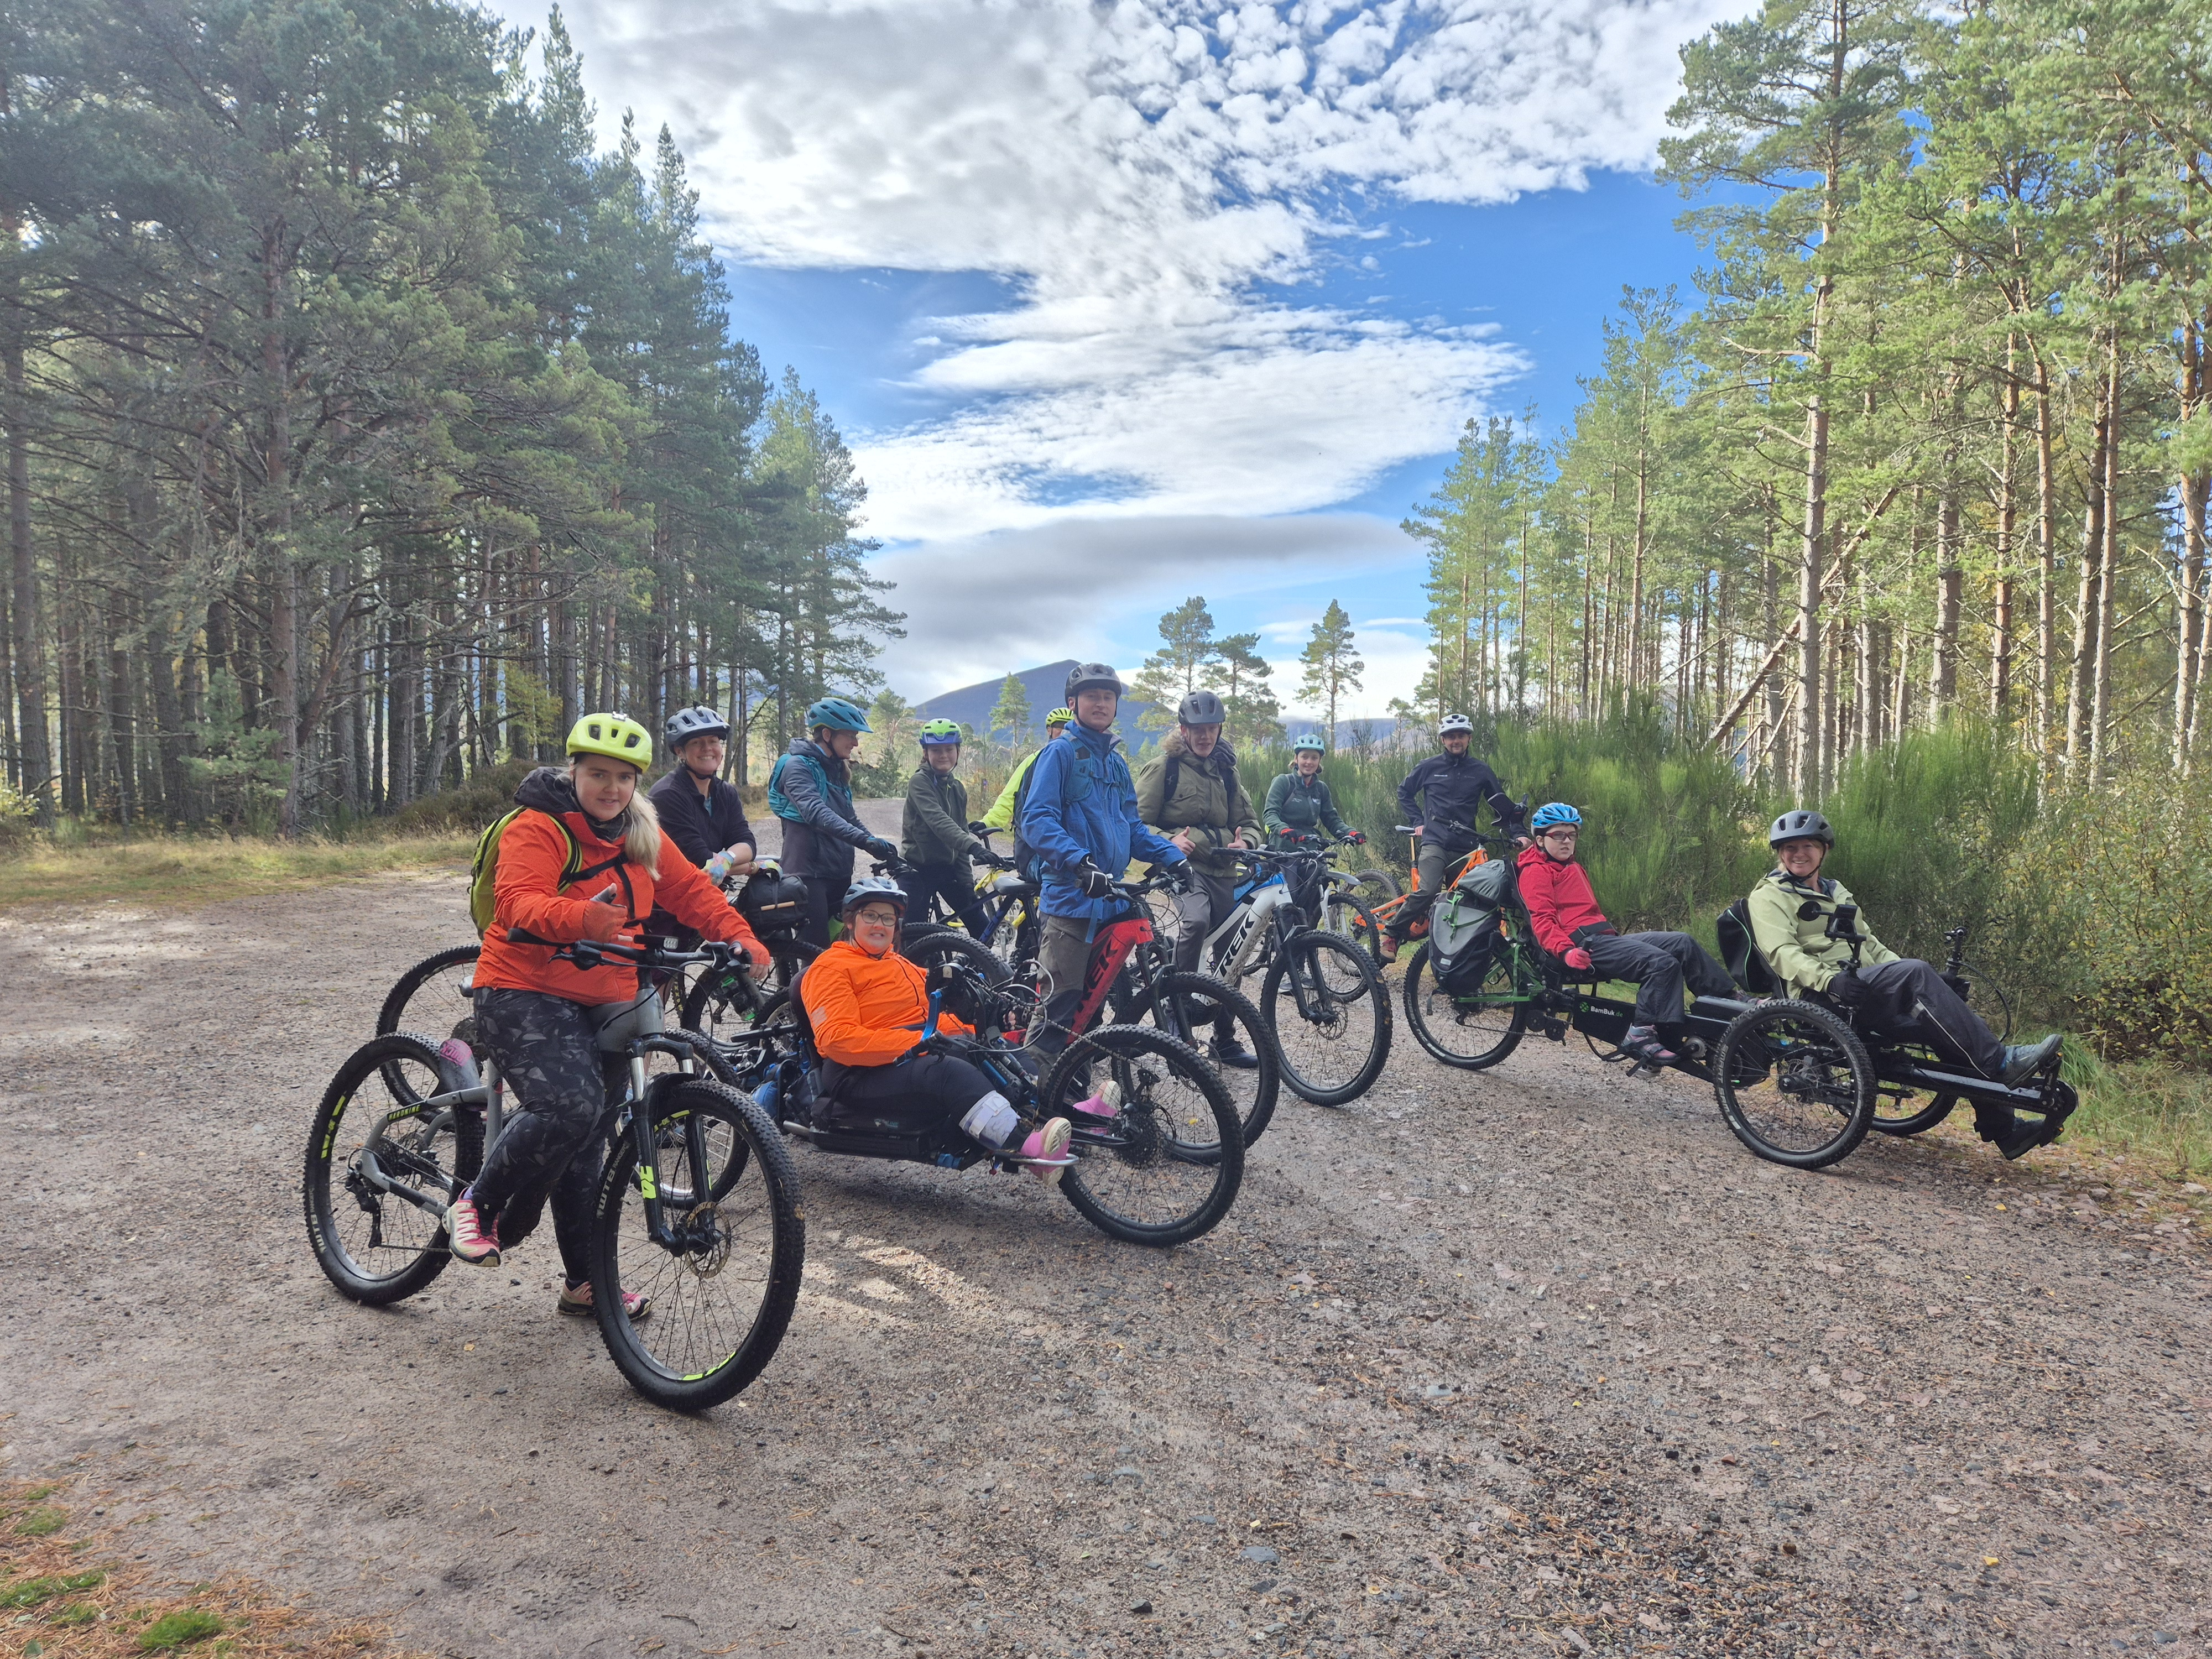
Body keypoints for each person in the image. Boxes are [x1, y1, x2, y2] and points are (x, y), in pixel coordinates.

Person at [446, 713, 767, 1315]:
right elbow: (516, 903)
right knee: (571, 1107)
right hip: (524, 985)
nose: (611, 788)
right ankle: (477, 1203)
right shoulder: (538, 826)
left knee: (592, 1141)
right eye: (598, 774)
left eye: (623, 777)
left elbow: (692, 891)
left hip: (613, 992)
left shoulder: (641, 828)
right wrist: (580, 919)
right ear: (574, 772)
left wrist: (739, 937)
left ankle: (584, 1281)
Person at [1749, 808, 2063, 1159]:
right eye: (1788, 847)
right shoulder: (1769, 895)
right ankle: (2002, 1064)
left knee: (1949, 1024)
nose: (1798, 854)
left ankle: (2004, 1130)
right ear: (1779, 853)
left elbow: (1871, 946)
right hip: (1819, 995)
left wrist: (1935, 987)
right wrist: (1830, 981)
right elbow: (1782, 952)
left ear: (1824, 850)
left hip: (1859, 989)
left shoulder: (1837, 892)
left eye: (1807, 845)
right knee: (1915, 972)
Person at [799, 877, 1073, 1178]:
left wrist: (979, 1025)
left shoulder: (899, 964)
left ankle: (1074, 1120)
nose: (880, 925)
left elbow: (934, 1017)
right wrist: (916, 1042)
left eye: (888, 918)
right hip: (857, 1072)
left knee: (997, 1050)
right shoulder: (831, 967)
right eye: (871, 916)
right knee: (948, 1072)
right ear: (851, 922)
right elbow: (838, 1039)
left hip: (908, 1054)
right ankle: (1028, 1150)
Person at [1019, 663, 1191, 1055]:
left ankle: (1074, 1087)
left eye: (1108, 697)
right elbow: (1037, 819)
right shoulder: (1059, 753)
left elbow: (1132, 827)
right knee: (1059, 1006)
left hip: (1110, 899)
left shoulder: (1115, 762)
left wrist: (1172, 858)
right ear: (1073, 703)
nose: (1100, 703)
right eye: (1092, 696)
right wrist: (1079, 863)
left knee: (1092, 1010)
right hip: (1071, 900)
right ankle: (1036, 1104)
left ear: (1115, 706)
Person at [1515, 803, 1735, 1066]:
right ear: (1540, 840)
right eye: (1559, 835)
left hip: (1605, 939)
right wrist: (1566, 951)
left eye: (1572, 835)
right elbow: (1542, 921)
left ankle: (1729, 1003)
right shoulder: (1536, 871)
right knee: (1661, 964)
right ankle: (1640, 1034)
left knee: (1681, 942)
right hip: (1581, 946)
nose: (1567, 842)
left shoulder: (1570, 867)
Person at [1135, 690, 1264, 1066]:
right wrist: (1167, 842)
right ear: (1183, 730)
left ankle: (1225, 1039)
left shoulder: (1227, 771)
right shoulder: (1165, 768)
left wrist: (1248, 841)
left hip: (1224, 871)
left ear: (1220, 729)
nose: (1205, 736)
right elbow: (1135, 825)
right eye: (1197, 729)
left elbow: (1251, 823)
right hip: (1181, 870)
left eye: (1211, 729)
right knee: (1195, 921)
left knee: (1233, 951)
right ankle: (1177, 1021)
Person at [1380, 714, 1526, 962]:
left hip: (1466, 846)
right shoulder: (1429, 766)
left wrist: (1519, 834)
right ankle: (1393, 934)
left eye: (1461, 736)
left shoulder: (1481, 771)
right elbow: (1404, 791)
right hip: (1435, 842)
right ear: (1443, 740)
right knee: (1428, 891)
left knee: (1472, 902)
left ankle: (1461, 966)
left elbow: (1501, 805)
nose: (1456, 741)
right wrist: (1418, 821)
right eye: (1450, 737)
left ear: (1469, 738)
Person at [769, 697, 900, 948]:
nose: (856, 742)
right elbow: (816, 812)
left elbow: (849, 817)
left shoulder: (836, 769)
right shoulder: (797, 766)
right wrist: (864, 841)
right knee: (816, 956)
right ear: (827, 735)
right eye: (850, 735)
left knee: (840, 950)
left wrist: (876, 844)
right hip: (808, 875)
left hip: (838, 872)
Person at [643, 706, 755, 946]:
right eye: (697, 743)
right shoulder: (667, 795)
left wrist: (726, 859)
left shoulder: (725, 792)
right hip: (663, 904)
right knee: (662, 975)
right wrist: (751, 867)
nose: (707, 749)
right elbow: (700, 862)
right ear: (680, 751)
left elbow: (747, 841)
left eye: (713, 741)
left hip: (697, 896)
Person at [901, 719, 998, 933]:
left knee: (982, 928)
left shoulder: (957, 788)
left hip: (948, 869)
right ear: (926, 753)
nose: (943, 754)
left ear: (958, 751)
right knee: (911, 935)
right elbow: (939, 822)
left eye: (949, 749)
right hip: (917, 869)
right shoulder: (919, 782)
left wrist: (966, 883)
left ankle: (969, 966)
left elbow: (961, 830)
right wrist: (974, 847)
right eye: (936, 750)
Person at [1262, 734, 1365, 849]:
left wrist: (1350, 832)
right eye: (1305, 757)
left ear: (1319, 760)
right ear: (1296, 758)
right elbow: (1270, 814)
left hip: (1312, 847)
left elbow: (1331, 819)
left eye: (1314, 758)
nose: (1309, 762)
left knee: (1322, 867)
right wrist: (1283, 829)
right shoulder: (1283, 782)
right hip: (1282, 847)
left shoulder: (1321, 789)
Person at [982, 706, 1073, 834]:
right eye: (1059, 726)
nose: (1064, 731)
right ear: (1049, 730)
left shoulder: (1084, 763)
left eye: (1069, 726)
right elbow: (1010, 794)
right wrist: (989, 822)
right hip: (1032, 836)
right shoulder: (1035, 760)